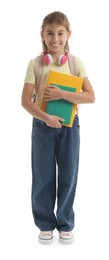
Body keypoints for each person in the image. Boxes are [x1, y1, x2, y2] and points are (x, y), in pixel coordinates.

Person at [21, 11, 95, 244]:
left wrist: (63, 94)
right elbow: (24, 102)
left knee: (68, 174)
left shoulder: (74, 63)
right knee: (42, 176)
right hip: (43, 127)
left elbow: (91, 96)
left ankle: (65, 223)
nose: (55, 39)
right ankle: (45, 223)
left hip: (70, 127)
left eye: (60, 33)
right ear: (42, 35)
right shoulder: (35, 64)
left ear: (68, 35)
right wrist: (46, 118)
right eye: (50, 33)